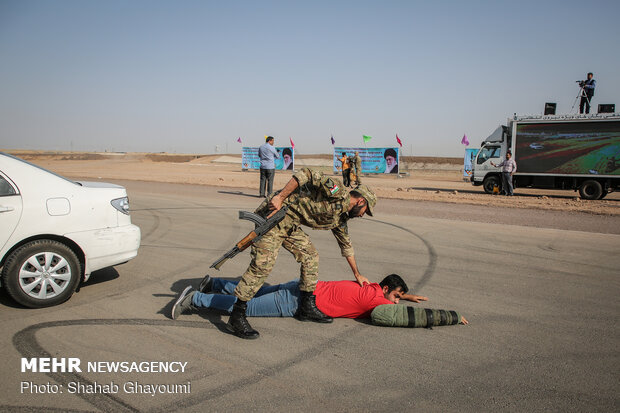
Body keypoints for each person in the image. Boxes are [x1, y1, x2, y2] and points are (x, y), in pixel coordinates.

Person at [222, 167, 377, 339]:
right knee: (262, 266)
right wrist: (279, 198)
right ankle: (236, 315)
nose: (363, 215)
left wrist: (357, 274)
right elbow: (308, 173)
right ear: (361, 201)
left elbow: (346, 246)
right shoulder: (337, 191)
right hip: (274, 216)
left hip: (289, 224)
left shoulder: (340, 218)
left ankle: (306, 306)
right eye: (366, 211)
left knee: (310, 256)